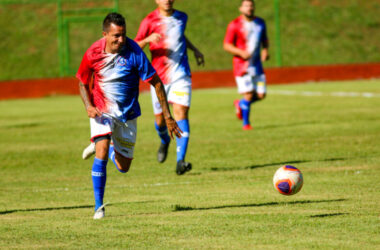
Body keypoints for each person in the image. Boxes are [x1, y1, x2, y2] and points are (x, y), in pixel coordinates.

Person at [77, 12, 181, 219]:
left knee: (124, 168)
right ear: (105, 34)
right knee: (102, 150)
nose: (121, 40)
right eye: (116, 36)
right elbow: (81, 80)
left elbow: (156, 82)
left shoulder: (133, 52)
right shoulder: (93, 53)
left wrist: (168, 116)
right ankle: (99, 207)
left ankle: (111, 146)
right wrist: (88, 106)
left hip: (127, 113)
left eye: (123, 34)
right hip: (102, 109)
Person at [135, 0, 204, 175]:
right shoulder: (148, 21)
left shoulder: (182, 17)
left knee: (180, 113)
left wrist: (194, 49)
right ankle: (165, 140)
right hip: (159, 78)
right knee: (160, 121)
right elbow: (134, 46)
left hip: (181, 74)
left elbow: (179, 35)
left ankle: (180, 160)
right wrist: (147, 39)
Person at [223, 0, 269, 130]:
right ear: (240, 8)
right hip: (242, 66)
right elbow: (227, 45)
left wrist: (265, 51)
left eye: (251, 6)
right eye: (246, 6)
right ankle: (246, 124)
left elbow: (265, 39)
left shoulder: (260, 23)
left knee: (261, 95)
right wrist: (240, 52)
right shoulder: (234, 25)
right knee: (248, 93)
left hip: (257, 65)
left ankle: (240, 104)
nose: (249, 8)